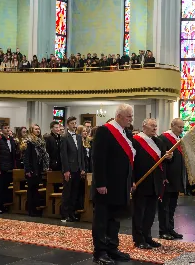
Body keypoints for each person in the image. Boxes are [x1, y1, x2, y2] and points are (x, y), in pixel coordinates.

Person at [91, 104, 136, 264]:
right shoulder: (105, 131)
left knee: (115, 219)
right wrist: (100, 183)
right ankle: (100, 252)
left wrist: (131, 181)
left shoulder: (127, 133)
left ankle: (112, 247)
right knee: (102, 220)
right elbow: (98, 159)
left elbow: (129, 161)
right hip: (106, 185)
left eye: (131, 116)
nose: (131, 119)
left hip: (121, 185)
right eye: (129, 116)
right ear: (119, 116)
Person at [132, 119, 172, 249]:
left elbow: (162, 164)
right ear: (144, 126)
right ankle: (138, 239)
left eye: (156, 126)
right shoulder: (136, 141)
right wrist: (132, 180)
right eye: (152, 126)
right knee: (139, 212)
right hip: (141, 181)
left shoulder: (158, 142)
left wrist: (168, 158)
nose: (155, 128)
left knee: (150, 212)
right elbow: (131, 162)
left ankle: (147, 237)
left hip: (155, 182)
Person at [158, 118, 185, 240]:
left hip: (176, 178)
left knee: (172, 206)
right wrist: (163, 177)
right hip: (167, 179)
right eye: (179, 127)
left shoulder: (178, 139)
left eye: (182, 127)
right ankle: (163, 230)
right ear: (172, 126)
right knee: (165, 206)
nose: (181, 129)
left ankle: (170, 228)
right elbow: (161, 160)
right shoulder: (164, 138)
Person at [60, 117, 86, 222]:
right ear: (68, 124)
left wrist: (83, 168)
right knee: (67, 193)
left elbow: (81, 154)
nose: (74, 125)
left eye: (75, 123)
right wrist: (66, 170)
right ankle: (65, 214)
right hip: (69, 169)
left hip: (78, 168)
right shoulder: (64, 137)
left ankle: (72, 213)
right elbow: (64, 155)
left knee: (75, 193)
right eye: (72, 123)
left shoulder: (79, 137)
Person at [23, 124, 49, 217]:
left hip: (38, 168)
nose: (38, 131)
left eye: (39, 129)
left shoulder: (40, 141)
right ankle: (31, 210)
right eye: (36, 129)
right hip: (31, 169)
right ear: (31, 131)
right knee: (31, 190)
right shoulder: (29, 142)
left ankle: (35, 209)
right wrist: (28, 170)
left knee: (36, 190)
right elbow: (26, 157)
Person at [0, 122, 16, 214]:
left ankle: (3, 205)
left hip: (9, 167)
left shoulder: (11, 140)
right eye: (5, 128)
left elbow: (13, 154)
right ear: (1, 130)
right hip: (1, 167)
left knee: (6, 188)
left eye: (8, 128)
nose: (7, 129)